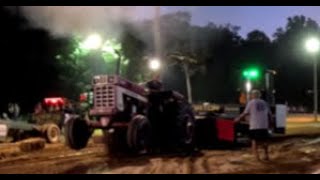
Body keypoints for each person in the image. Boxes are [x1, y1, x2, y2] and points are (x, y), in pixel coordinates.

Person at [234, 89, 273, 161]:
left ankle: (257, 157)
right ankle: (266, 155)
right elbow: (269, 115)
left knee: (254, 141)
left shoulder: (251, 103)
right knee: (264, 141)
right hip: (264, 125)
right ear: (259, 95)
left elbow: (245, 113)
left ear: (253, 95)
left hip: (255, 125)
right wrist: (270, 123)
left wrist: (238, 119)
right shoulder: (264, 102)